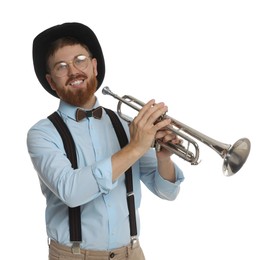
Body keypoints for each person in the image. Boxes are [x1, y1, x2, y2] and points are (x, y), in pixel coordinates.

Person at [27, 22, 185, 260]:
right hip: (74, 256)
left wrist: (164, 157)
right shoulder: (42, 133)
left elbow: (167, 192)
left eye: (80, 59)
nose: (73, 71)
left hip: (131, 253)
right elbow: (71, 191)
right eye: (61, 66)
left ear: (94, 66)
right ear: (51, 82)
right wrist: (135, 148)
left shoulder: (125, 125)